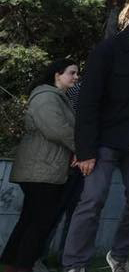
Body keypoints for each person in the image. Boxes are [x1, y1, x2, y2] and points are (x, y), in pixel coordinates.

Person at [63, 0, 129, 272]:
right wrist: (85, 150)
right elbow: (88, 102)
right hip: (105, 140)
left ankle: (119, 255)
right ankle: (75, 264)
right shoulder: (107, 50)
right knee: (92, 200)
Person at [1, 59, 78, 271]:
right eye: (72, 73)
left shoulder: (58, 98)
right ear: (57, 74)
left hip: (46, 168)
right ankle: (23, 265)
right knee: (40, 223)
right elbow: (56, 129)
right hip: (41, 169)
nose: (76, 77)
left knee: (30, 219)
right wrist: (81, 148)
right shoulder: (46, 97)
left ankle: (10, 263)